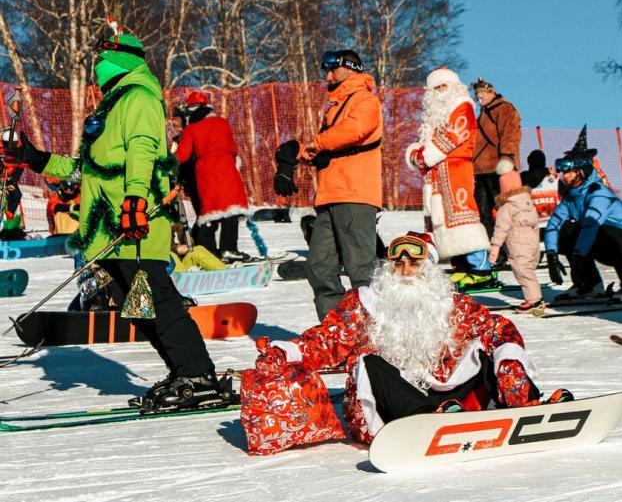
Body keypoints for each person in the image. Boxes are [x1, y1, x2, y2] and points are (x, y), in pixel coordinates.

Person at [3, 22, 234, 412]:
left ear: (121, 58)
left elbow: (143, 151)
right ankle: (184, 373)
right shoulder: (111, 105)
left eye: (103, 57)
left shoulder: (139, 97)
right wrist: (35, 157)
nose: (97, 66)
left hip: (135, 223)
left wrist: (134, 203)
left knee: (157, 299)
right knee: (137, 305)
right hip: (111, 226)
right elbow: (86, 170)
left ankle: (197, 375)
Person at [242, 232, 572, 451]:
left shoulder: (449, 303)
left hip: (447, 397)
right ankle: (427, 420)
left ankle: (526, 405)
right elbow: (329, 340)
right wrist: (290, 350)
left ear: (427, 268)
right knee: (368, 364)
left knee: (488, 348)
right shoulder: (365, 302)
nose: (404, 268)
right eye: (397, 262)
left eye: (413, 262)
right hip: (393, 406)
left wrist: (508, 357)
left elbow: (495, 325)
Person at [274, 50, 383, 321]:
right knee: (319, 266)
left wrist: (314, 143)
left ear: (351, 68)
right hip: (329, 197)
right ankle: (335, 330)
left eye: (333, 68)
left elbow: (352, 132)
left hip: (356, 196)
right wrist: (293, 156)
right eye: (326, 69)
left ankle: (376, 333)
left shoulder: (365, 101)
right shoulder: (334, 108)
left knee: (361, 270)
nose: (328, 74)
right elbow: (326, 146)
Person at [405, 67, 492, 289]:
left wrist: (421, 155)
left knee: (462, 216)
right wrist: (419, 155)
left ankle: (481, 269)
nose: (440, 92)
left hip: (455, 170)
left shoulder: (462, 106)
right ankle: (461, 266)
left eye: (444, 86)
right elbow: (423, 150)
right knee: (442, 221)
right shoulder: (433, 118)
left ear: (454, 87)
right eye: (435, 88)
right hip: (436, 176)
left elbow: (453, 137)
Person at [543, 126, 622, 302]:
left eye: (569, 172)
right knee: (567, 230)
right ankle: (589, 285)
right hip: (600, 244)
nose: (564, 177)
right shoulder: (571, 198)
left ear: (581, 172)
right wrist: (551, 255)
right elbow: (553, 225)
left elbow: (591, 225)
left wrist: (578, 256)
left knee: (606, 230)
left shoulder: (598, 193)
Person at [173, 91, 254, 264]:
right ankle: (229, 248)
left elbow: (183, 155)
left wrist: (166, 163)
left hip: (205, 174)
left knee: (208, 214)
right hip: (227, 171)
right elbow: (233, 148)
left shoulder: (191, 129)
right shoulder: (222, 123)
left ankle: (207, 252)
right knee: (230, 211)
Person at [470, 77, 522, 241]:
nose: (480, 99)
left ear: (492, 92)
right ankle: (494, 250)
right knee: (482, 212)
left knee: (504, 211)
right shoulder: (484, 113)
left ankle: (512, 246)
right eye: (477, 96)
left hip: (497, 168)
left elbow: (510, 135)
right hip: (480, 170)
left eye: (483, 94)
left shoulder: (504, 108)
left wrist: (507, 157)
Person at [488, 170, 543, 312]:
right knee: (527, 270)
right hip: (531, 242)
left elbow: (501, 228)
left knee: (522, 270)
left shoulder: (506, 207)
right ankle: (534, 298)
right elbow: (536, 225)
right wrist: (536, 247)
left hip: (517, 243)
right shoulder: (529, 204)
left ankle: (534, 300)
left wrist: (495, 247)